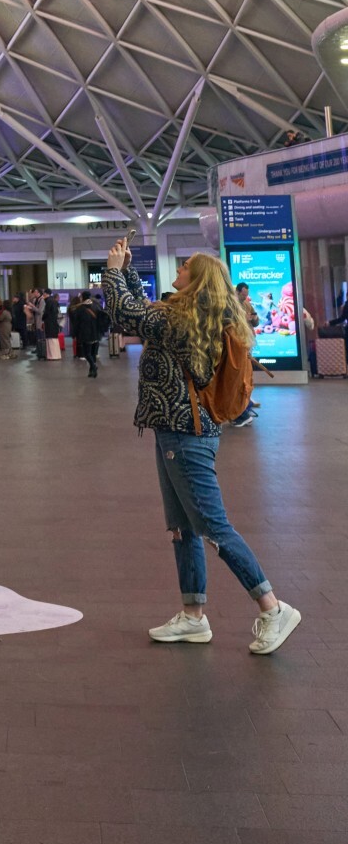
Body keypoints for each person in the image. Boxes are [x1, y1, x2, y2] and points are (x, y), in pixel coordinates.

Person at [102, 238, 300, 656]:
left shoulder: (183, 317)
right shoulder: (186, 313)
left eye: (185, 265)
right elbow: (144, 309)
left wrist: (114, 270)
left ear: (198, 279)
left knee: (212, 525)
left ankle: (273, 607)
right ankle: (193, 617)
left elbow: (126, 314)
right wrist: (130, 271)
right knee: (183, 527)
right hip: (174, 431)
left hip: (185, 434)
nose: (179, 267)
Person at [233, 283, 262, 425]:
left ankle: (246, 400)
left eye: (247, 295)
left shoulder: (247, 304)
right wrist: (244, 318)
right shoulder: (231, 304)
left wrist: (254, 318)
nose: (245, 297)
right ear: (237, 292)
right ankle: (243, 403)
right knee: (241, 373)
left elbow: (256, 322)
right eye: (243, 294)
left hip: (248, 340)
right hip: (238, 341)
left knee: (247, 372)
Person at [71, 292, 101, 377]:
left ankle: (93, 366)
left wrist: (74, 334)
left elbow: (76, 323)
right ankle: (92, 371)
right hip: (96, 333)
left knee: (87, 353)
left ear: (82, 298)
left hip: (85, 333)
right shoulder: (96, 306)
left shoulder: (80, 308)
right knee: (93, 353)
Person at [43, 291, 62, 360]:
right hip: (54, 323)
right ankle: (57, 355)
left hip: (49, 323)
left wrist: (43, 317)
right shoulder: (54, 302)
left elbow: (46, 313)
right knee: (54, 340)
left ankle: (52, 356)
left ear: (46, 294)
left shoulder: (48, 301)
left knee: (50, 340)